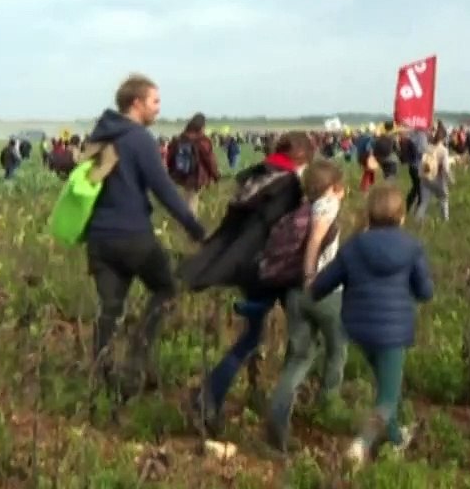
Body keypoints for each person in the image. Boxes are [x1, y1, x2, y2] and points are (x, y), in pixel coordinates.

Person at [182, 132, 315, 437]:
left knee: (253, 336)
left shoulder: (259, 175)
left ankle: (245, 391)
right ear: (302, 158)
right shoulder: (288, 186)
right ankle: (211, 397)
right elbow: (281, 234)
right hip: (268, 272)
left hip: (247, 269)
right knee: (262, 339)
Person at [84, 74, 207, 396]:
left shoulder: (100, 134)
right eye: (155, 101)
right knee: (166, 288)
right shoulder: (139, 139)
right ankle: (138, 355)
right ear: (136, 103)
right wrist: (194, 227)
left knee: (109, 308)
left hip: (99, 238)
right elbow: (163, 188)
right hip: (133, 236)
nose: (158, 108)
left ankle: (103, 383)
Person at [310, 184, 433, 464]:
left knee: (386, 385)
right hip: (393, 331)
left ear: (369, 214)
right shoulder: (412, 247)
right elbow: (425, 292)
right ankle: (361, 445)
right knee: (388, 397)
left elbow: (322, 285)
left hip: (358, 328)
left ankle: (396, 438)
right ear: (402, 216)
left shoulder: (354, 246)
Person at [265, 160, 349, 451]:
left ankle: (277, 418)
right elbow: (315, 240)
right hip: (323, 292)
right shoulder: (326, 205)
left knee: (299, 358)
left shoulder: (300, 207)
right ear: (330, 188)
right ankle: (328, 405)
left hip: (295, 295)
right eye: (338, 185)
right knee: (338, 349)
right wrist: (311, 275)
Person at [167, 113, 221, 215]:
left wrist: (171, 171)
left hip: (182, 173)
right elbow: (210, 160)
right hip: (196, 175)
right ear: (201, 126)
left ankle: (185, 221)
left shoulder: (179, 138)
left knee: (188, 198)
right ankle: (190, 225)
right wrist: (216, 175)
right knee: (192, 200)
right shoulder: (202, 140)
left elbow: (170, 156)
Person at [415, 129, 452, 222]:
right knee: (443, 199)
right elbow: (446, 168)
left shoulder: (427, 148)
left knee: (424, 202)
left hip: (425, 177)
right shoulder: (443, 150)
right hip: (438, 179)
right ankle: (445, 220)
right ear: (443, 138)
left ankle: (417, 220)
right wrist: (451, 179)